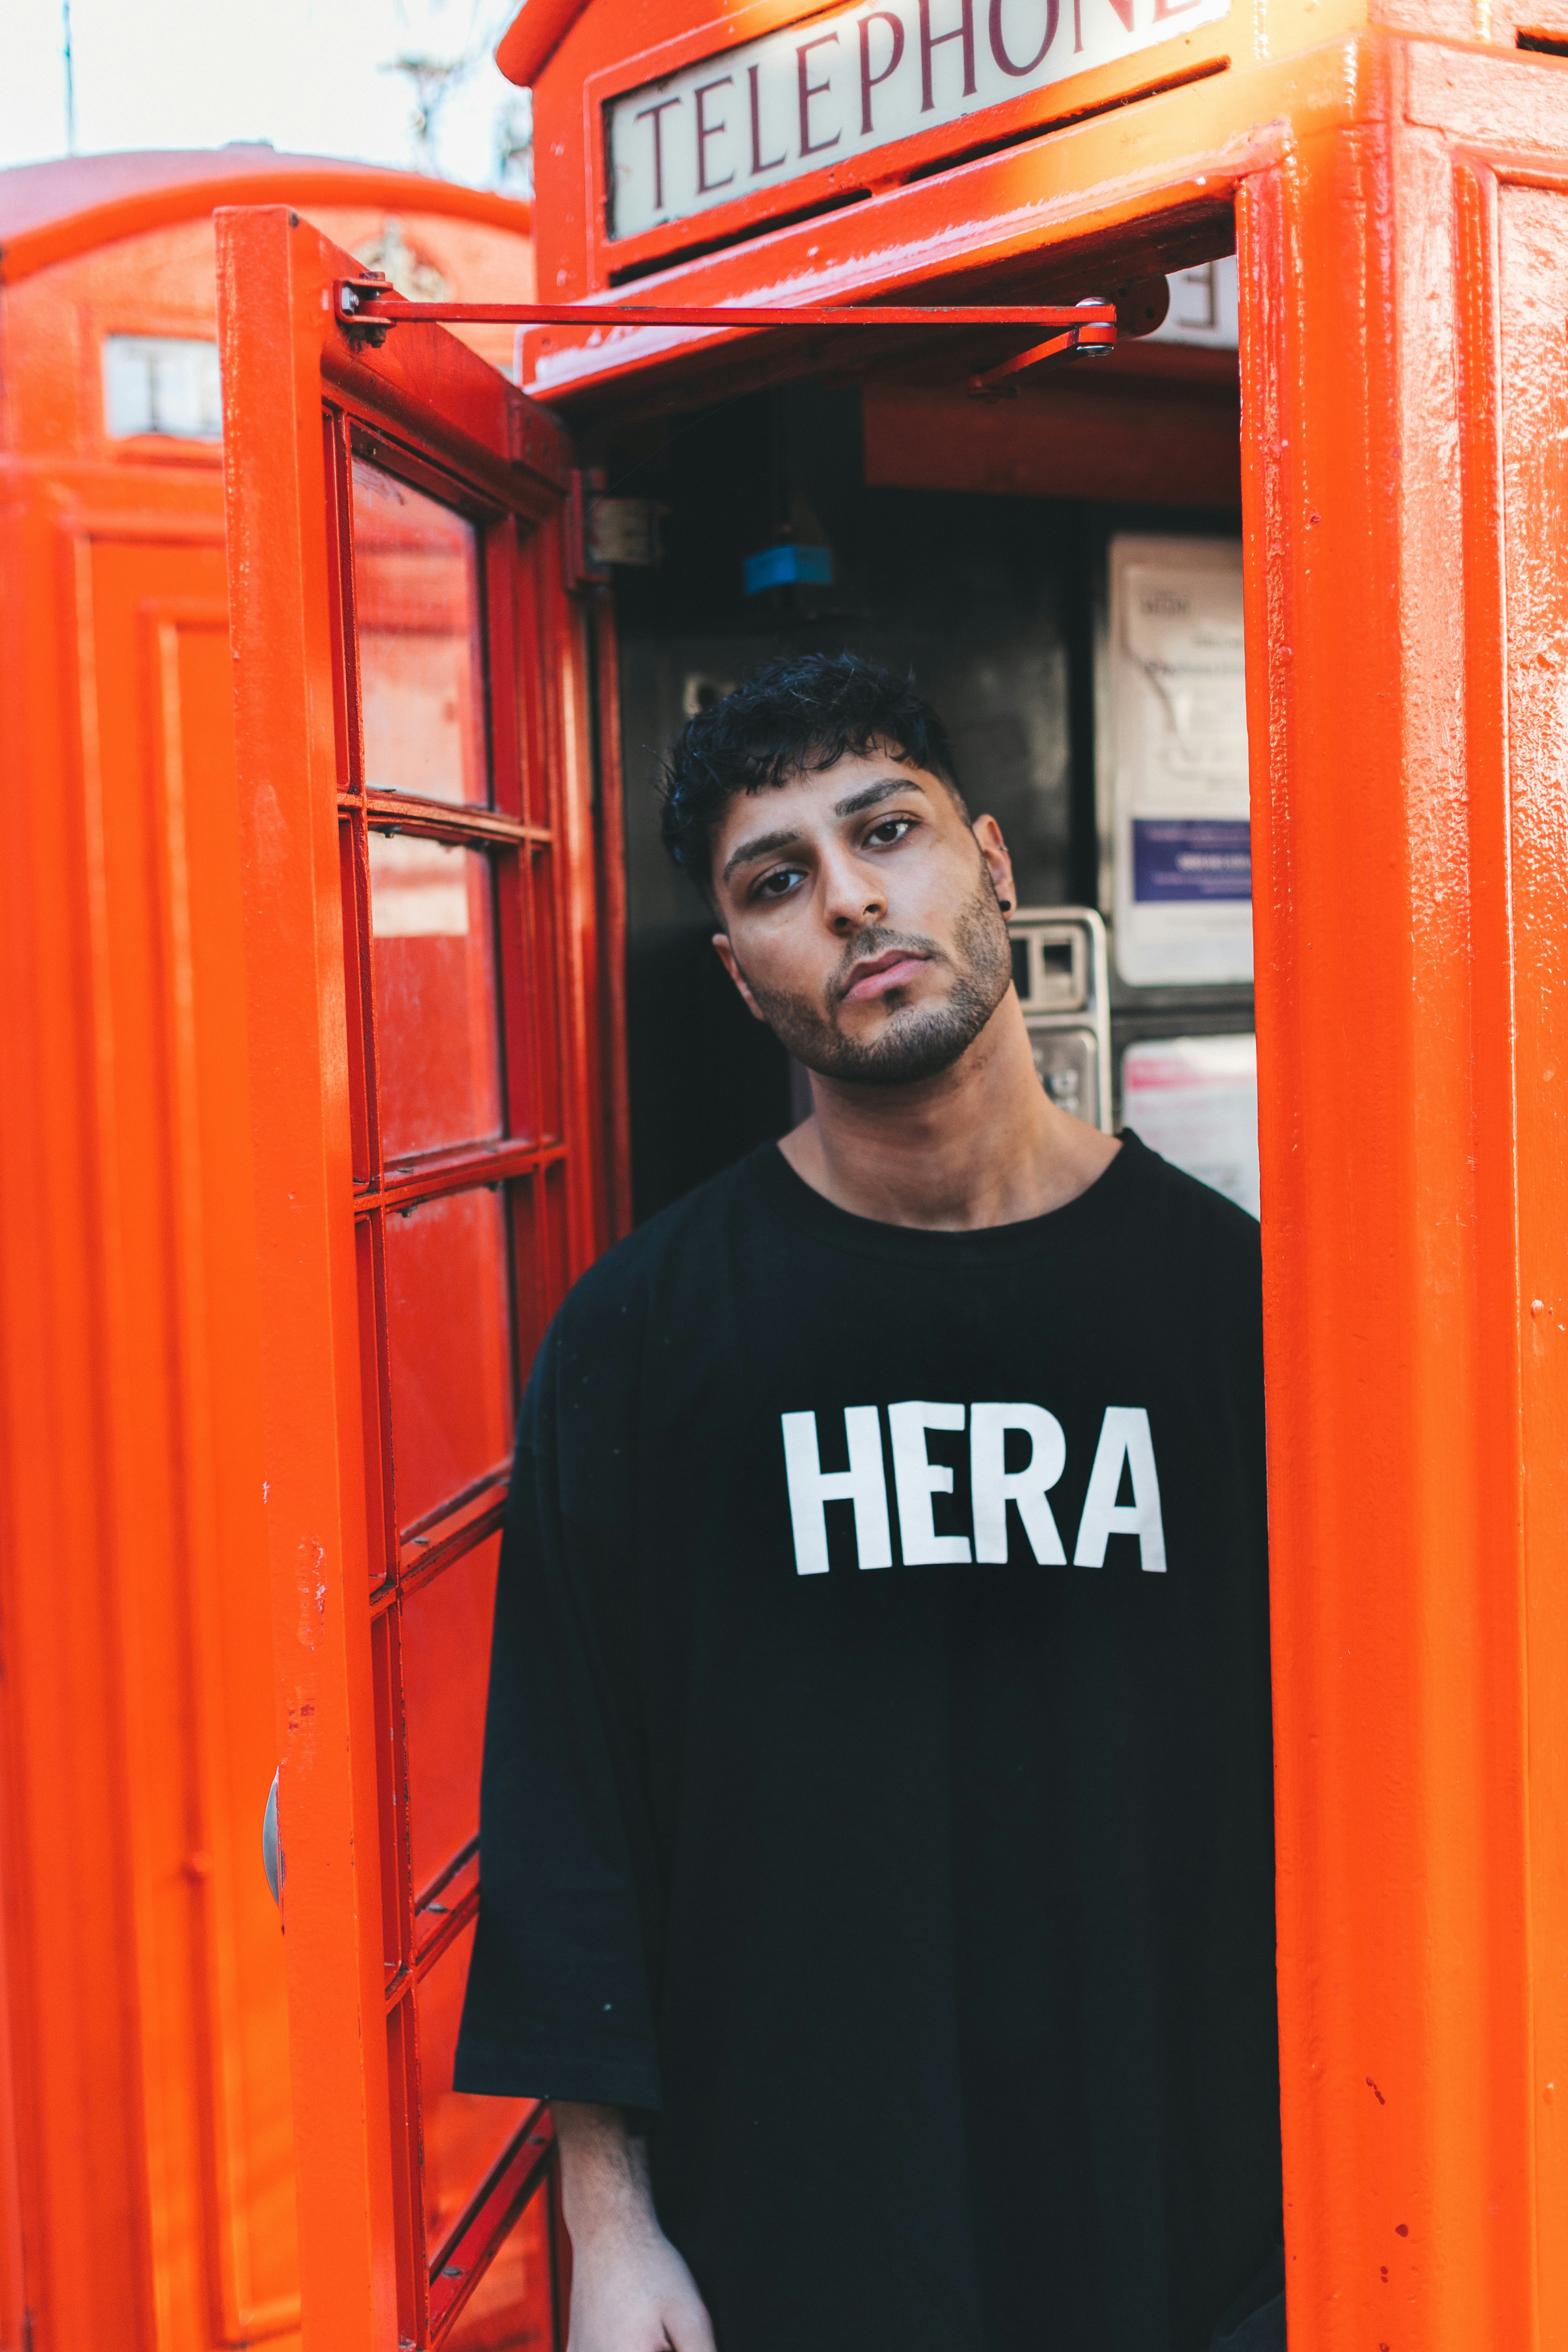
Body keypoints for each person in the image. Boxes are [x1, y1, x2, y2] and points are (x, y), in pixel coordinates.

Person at [455, 652, 1283, 2352]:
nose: (849, 900)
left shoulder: (1230, 1303)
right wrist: (606, 2234)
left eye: (883, 830)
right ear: (738, 970)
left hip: (1190, 2214)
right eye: (779, 881)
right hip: (804, 2235)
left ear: (986, 859)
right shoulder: (644, 1334)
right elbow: (569, 1813)